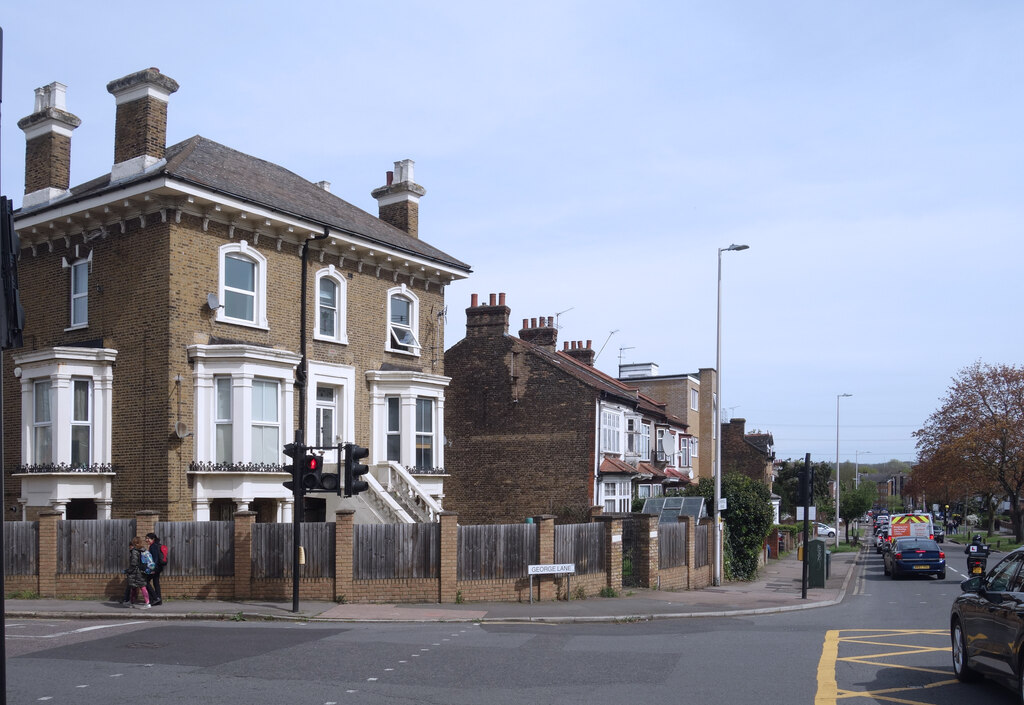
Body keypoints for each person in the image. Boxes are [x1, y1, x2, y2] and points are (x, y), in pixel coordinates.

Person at [124, 536, 151, 608]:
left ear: (134, 542)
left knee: (136, 587)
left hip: (136, 572)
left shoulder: (134, 551)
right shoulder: (143, 550)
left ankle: (146, 603)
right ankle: (134, 602)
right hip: (142, 571)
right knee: (141, 586)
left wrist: (128, 571)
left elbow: (133, 563)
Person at [144, 532, 166, 606]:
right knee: (156, 583)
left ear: (152, 539)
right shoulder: (156, 545)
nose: (146, 540)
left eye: (148, 538)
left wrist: (153, 569)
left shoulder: (153, 546)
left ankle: (155, 598)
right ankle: (158, 600)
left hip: (155, 568)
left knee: (145, 581)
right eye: (146, 538)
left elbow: (155, 558)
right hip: (159, 567)